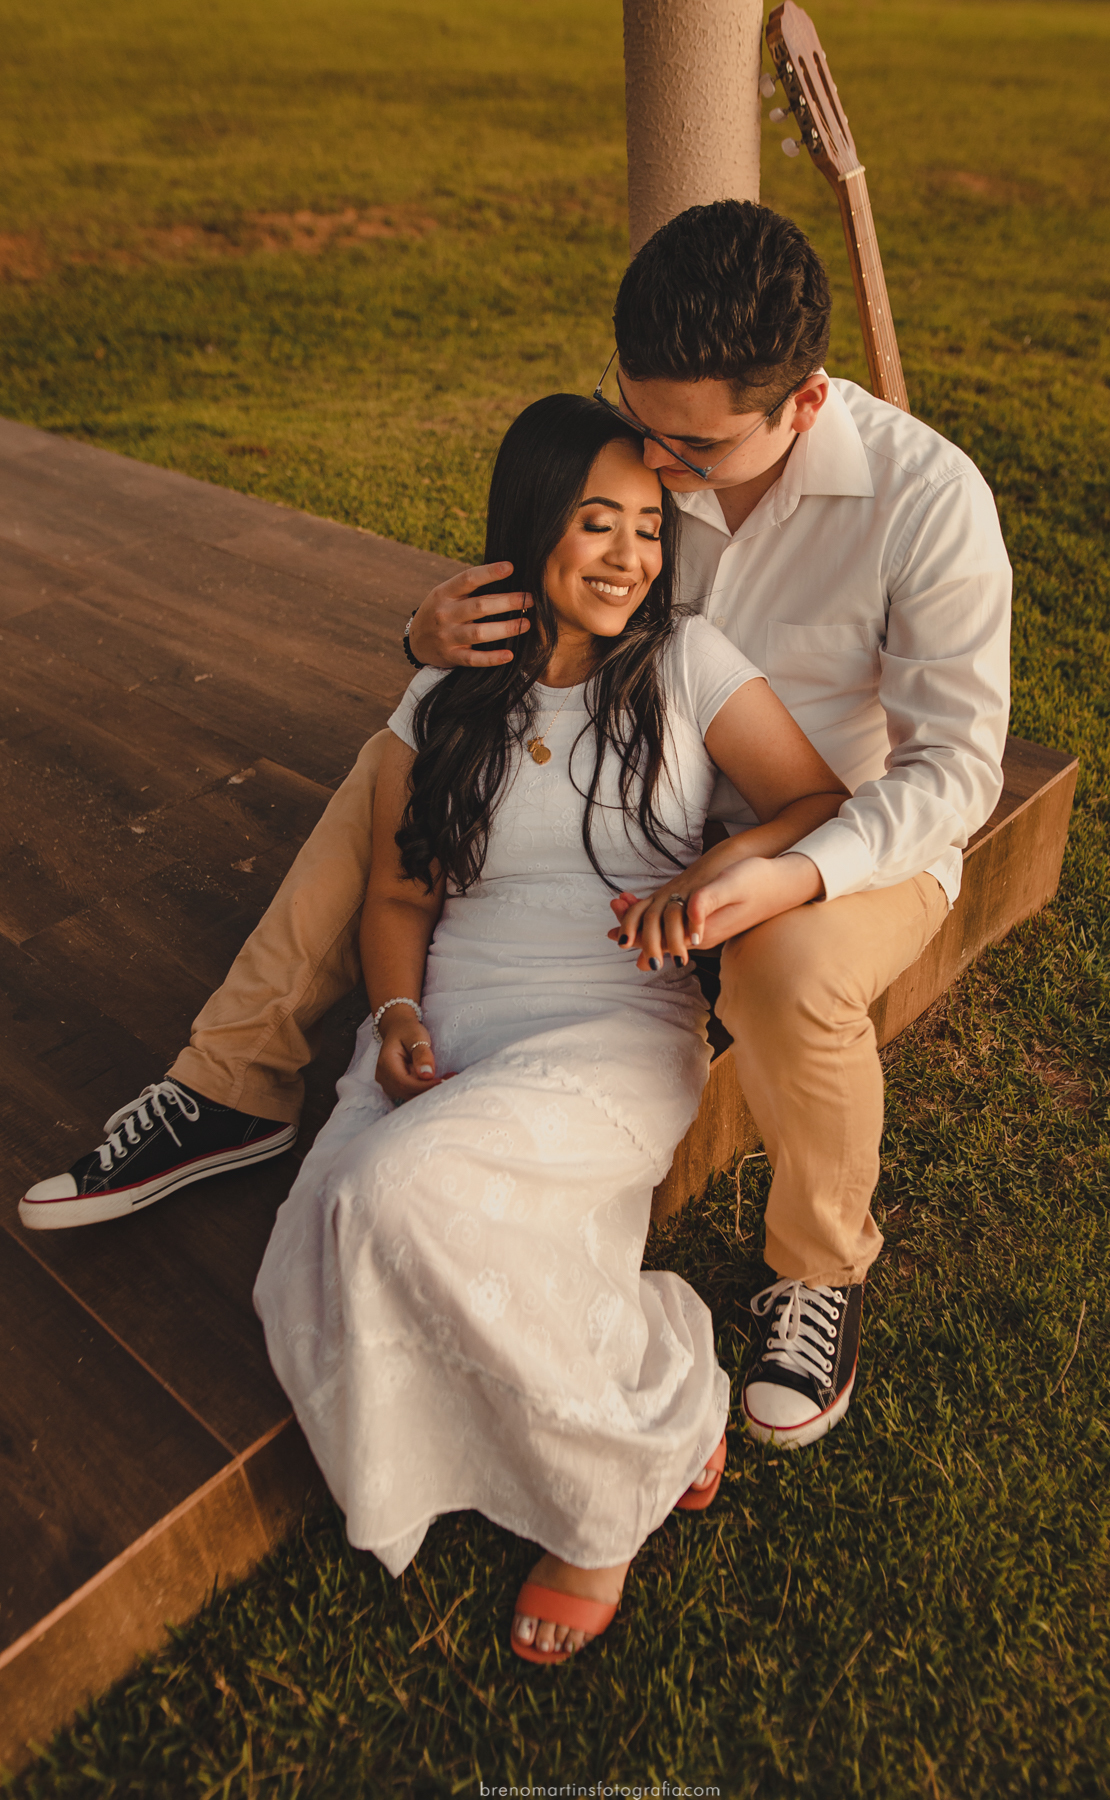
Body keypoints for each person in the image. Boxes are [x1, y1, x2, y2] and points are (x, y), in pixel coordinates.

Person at [21, 200, 1011, 1462]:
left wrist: (784, 873)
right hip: (625, 799)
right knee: (397, 758)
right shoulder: (655, 447)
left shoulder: (929, 504)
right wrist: (422, 642)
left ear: (803, 405)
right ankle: (229, 1084)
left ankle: (817, 1270)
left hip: (838, 831)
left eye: (691, 448)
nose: (656, 463)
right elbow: (531, 609)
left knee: (787, 965)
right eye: (639, 420)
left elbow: (954, 772)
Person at [253, 394, 848, 1660]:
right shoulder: (446, 695)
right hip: (455, 1021)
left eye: (649, 526)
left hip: (611, 1032)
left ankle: (611, 1486)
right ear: (533, 529)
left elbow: (814, 798)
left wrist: (711, 873)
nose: (632, 555)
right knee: (314, 1249)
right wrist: (399, 1007)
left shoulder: (690, 664)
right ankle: (646, 1355)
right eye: (597, 522)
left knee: (396, 1205)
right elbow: (400, 893)